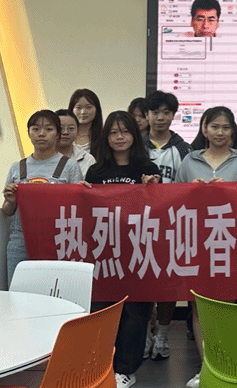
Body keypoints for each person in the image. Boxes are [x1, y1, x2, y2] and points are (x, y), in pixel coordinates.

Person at [175, 106, 237, 387]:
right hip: (198, 241)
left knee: (228, 306)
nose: (220, 132)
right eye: (214, 126)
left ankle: (228, 366)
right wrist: (190, 189)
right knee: (199, 306)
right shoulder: (189, 160)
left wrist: (231, 191)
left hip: (231, 242)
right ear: (204, 129)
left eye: (225, 127)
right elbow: (174, 199)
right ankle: (207, 367)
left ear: (233, 130)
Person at [84, 111, 160, 388]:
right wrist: (80, 192)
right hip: (105, 251)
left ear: (134, 135)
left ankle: (126, 369)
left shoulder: (148, 168)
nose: (119, 137)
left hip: (138, 250)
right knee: (102, 310)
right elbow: (87, 211)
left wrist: (154, 189)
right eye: (114, 132)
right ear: (106, 137)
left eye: (125, 131)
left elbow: (160, 210)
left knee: (135, 313)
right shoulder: (96, 171)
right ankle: (102, 366)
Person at [1, 110, 83, 285]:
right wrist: (10, 201)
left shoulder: (70, 166)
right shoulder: (17, 167)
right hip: (20, 240)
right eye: (36, 128)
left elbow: (77, 209)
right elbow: (7, 211)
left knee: (54, 290)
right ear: (29, 133)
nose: (41, 134)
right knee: (17, 291)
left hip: (58, 239)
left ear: (58, 134)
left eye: (49, 129)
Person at [142, 90, 191, 362]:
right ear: (146, 115)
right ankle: (145, 333)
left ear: (173, 115)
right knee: (142, 279)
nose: (160, 117)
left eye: (166, 112)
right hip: (139, 225)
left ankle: (162, 334)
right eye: (155, 112)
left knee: (168, 283)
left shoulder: (184, 149)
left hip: (172, 226)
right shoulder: (135, 146)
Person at [55, 108, 96, 177]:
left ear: (78, 130)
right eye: (60, 128)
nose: (65, 132)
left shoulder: (87, 159)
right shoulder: (41, 157)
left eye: (71, 128)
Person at [68, 88, 103, 155]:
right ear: (72, 109)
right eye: (78, 107)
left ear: (97, 110)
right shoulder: (63, 135)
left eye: (88, 107)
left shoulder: (103, 137)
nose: (83, 112)